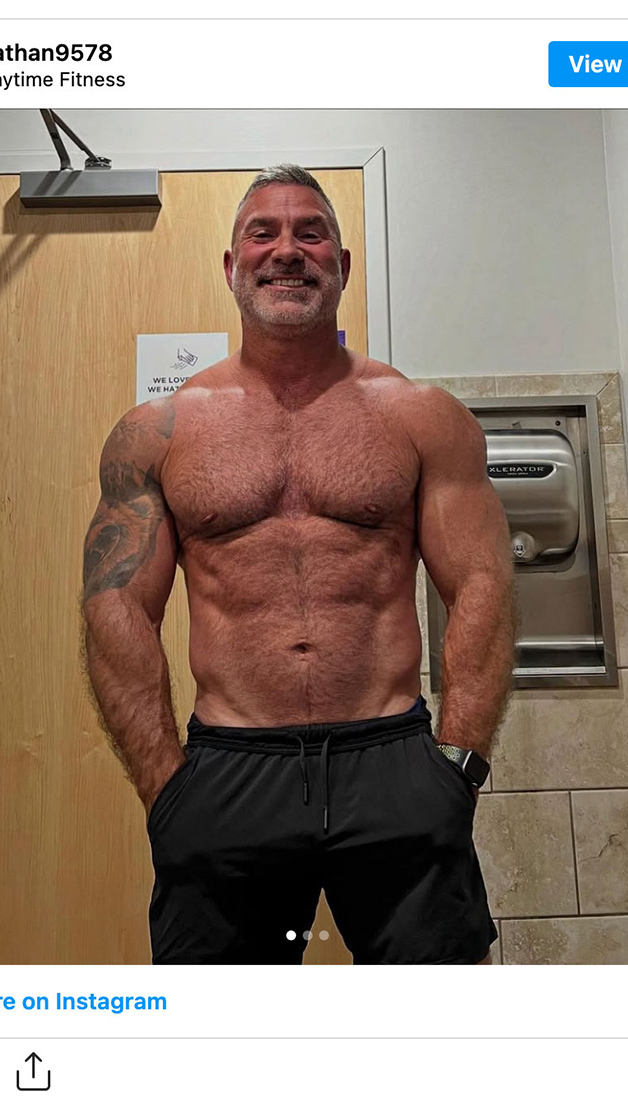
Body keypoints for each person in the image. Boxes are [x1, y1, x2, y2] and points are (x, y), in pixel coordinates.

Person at [83, 164, 515, 965]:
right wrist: (164, 786)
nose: (287, 250)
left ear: (341, 265)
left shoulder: (421, 416)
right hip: (229, 767)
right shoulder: (161, 430)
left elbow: (482, 584)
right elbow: (117, 604)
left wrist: (458, 763)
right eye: (264, 233)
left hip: (392, 758)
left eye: (310, 233)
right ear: (232, 266)